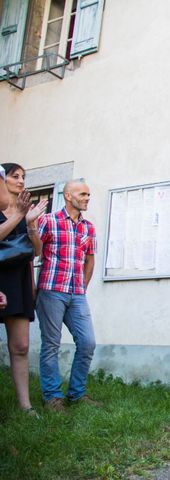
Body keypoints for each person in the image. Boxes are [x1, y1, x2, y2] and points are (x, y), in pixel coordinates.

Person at [37, 179, 99, 412]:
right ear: (68, 196)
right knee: (51, 344)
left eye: (88, 194)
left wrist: (81, 288)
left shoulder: (88, 227)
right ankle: (53, 397)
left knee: (87, 342)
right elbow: (34, 252)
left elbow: (90, 261)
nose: (87, 198)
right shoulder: (48, 221)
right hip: (51, 290)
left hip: (76, 294)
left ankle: (77, 394)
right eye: (83, 194)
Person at [0, 163, 47, 416]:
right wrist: (17, 215)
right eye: (14, 176)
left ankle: (25, 406)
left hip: (17, 281)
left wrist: (30, 223)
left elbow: (36, 251)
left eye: (23, 177)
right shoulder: (8, 209)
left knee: (21, 346)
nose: (20, 181)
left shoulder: (24, 210)